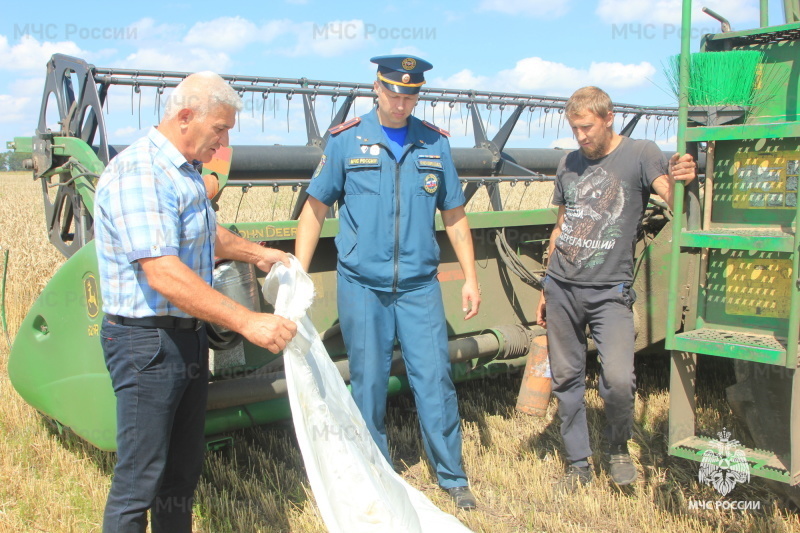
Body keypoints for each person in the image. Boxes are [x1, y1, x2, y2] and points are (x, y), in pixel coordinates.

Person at [94, 71, 297, 532]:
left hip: (185, 340)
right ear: (185, 117)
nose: (224, 142)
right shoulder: (141, 172)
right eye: (219, 129)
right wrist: (247, 321)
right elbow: (163, 271)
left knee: (181, 474)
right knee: (139, 480)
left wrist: (259, 253)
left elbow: (207, 236)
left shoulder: (183, 173)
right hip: (145, 344)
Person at [295, 55, 481, 510]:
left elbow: (454, 216)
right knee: (369, 382)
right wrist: (297, 276)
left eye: (410, 95)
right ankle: (374, 470)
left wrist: (471, 277)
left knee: (435, 378)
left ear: (419, 95)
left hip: (419, 286)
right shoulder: (346, 141)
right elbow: (314, 211)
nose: (401, 103)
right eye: (393, 94)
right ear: (376, 89)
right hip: (363, 285)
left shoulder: (434, 144)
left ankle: (452, 477)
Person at [535, 86, 695, 491]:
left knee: (620, 379)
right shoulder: (568, 163)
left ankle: (618, 448)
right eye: (574, 128)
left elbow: (673, 199)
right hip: (562, 287)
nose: (581, 136)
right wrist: (545, 286)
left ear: (609, 118)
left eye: (587, 127)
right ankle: (577, 464)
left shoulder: (641, 153)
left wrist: (683, 180)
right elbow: (562, 224)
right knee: (567, 380)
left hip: (610, 291)